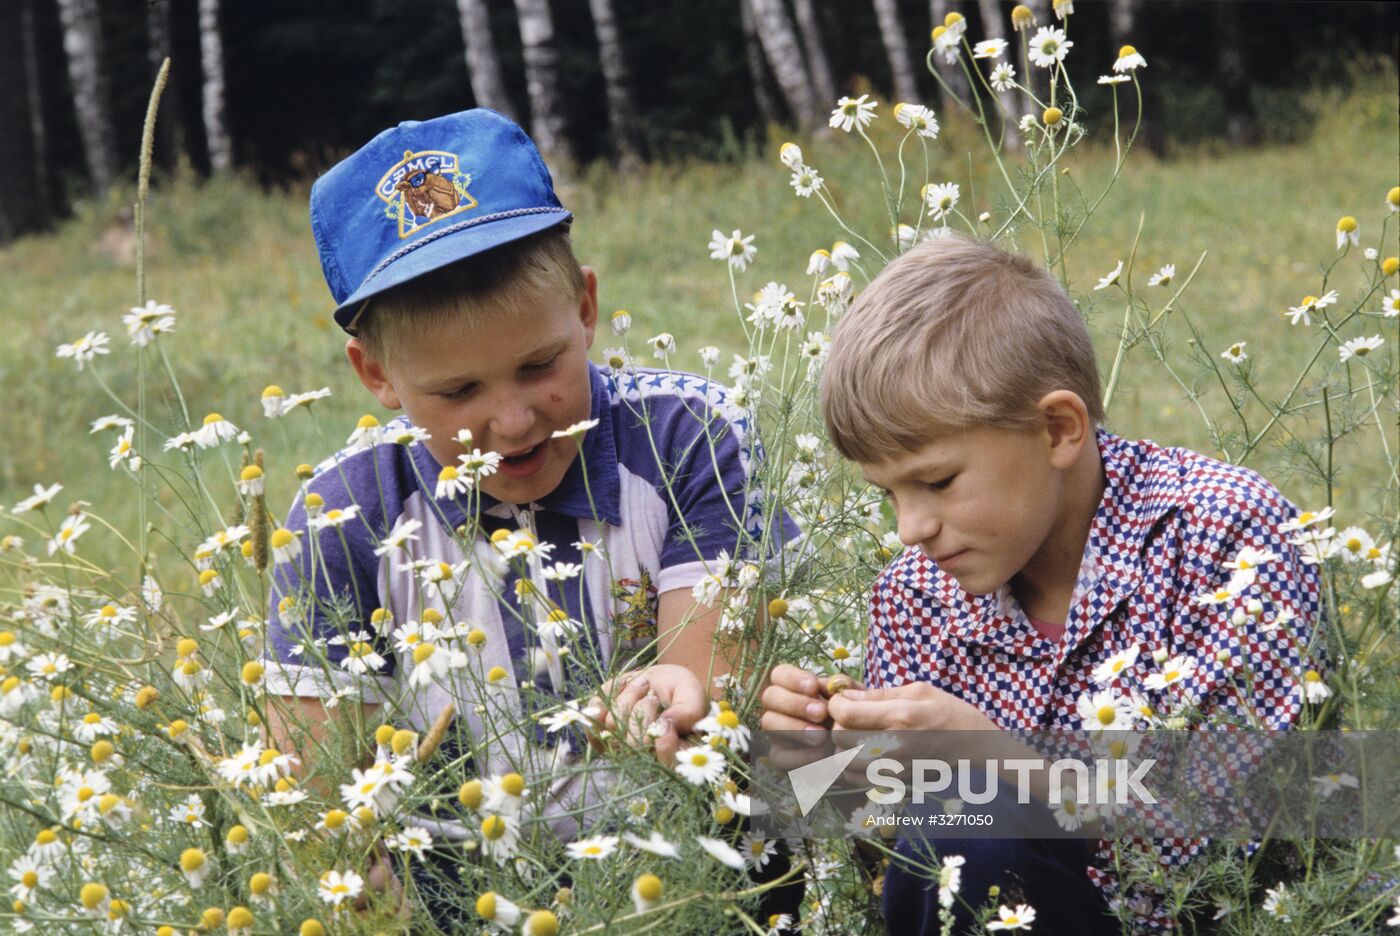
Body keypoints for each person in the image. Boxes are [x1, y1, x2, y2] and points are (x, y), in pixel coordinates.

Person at [261, 108, 798, 928]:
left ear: (585, 309)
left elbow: (705, 722)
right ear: (376, 375)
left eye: (540, 366)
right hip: (453, 891)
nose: (512, 423)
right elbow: (323, 804)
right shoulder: (341, 517)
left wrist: (662, 698)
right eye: (459, 392)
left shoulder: (689, 436)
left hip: (697, 864)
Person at [759, 234, 1322, 934]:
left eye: (937, 481)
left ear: (1059, 429)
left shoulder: (1221, 536)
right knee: (950, 833)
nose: (910, 528)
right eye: (887, 494)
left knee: (969, 829)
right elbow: (903, 871)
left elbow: (1225, 840)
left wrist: (998, 756)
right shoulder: (912, 595)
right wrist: (832, 769)